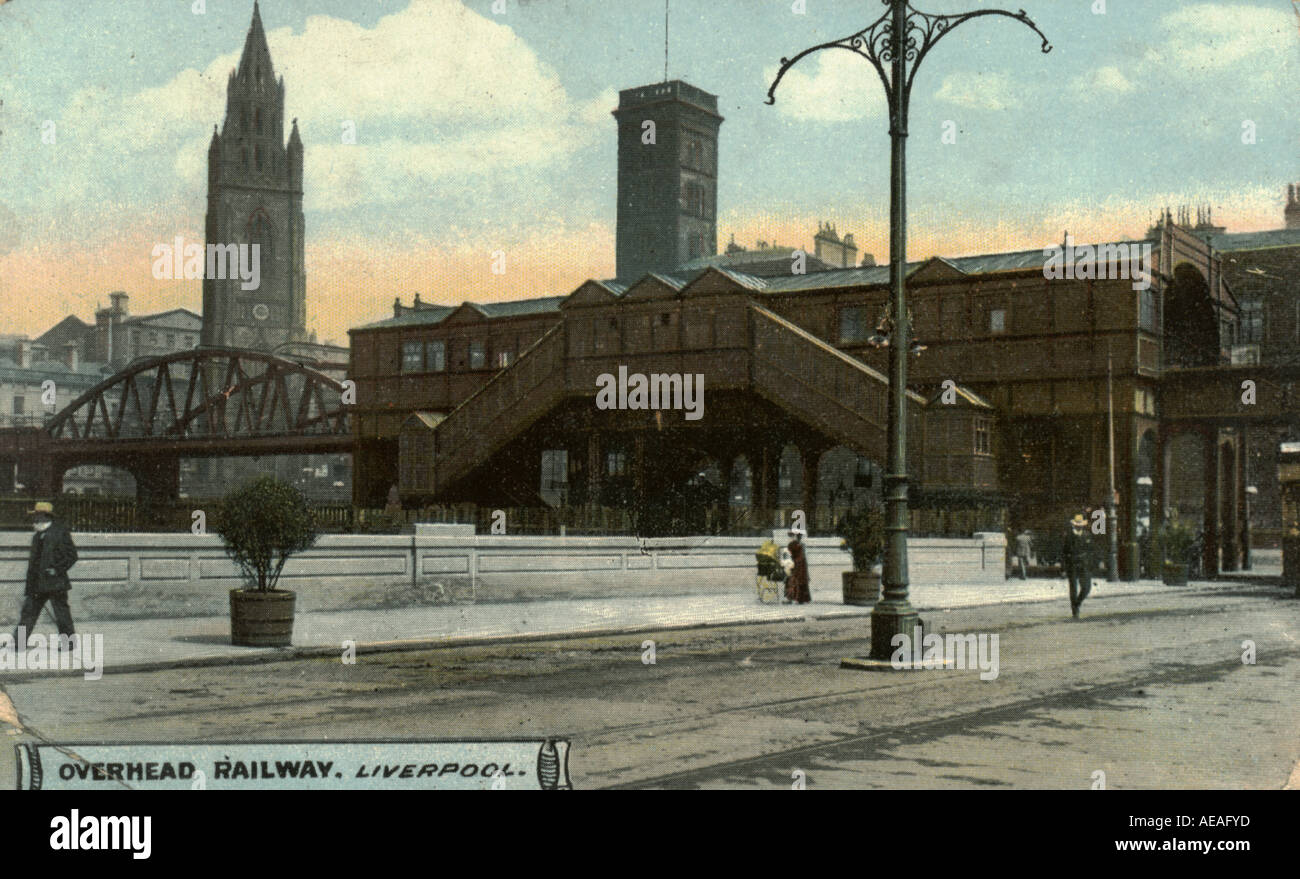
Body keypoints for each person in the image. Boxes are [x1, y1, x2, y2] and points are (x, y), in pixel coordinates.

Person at [15, 501, 78, 645]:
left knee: (62, 614)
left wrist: (57, 569)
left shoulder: (60, 532)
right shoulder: (37, 536)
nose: (34, 520)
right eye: (35, 517)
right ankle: (18, 643)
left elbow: (72, 555)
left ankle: (69, 643)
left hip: (55, 583)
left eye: (37, 517)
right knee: (28, 612)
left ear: (46, 517)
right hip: (37, 584)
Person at [1060, 513, 1093, 619]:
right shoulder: (1068, 536)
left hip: (1084, 564)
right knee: (1073, 588)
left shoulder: (1087, 535)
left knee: (1087, 587)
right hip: (1072, 563)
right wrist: (1063, 569)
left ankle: (1077, 603)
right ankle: (1075, 611)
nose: (1079, 526)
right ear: (1074, 525)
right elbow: (1063, 553)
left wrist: (1091, 564)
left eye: (1081, 524)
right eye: (1077, 525)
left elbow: (1091, 551)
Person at [784, 527, 811, 605]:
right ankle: (793, 597)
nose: (798, 537)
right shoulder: (793, 544)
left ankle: (799, 598)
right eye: (797, 536)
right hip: (795, 563)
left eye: (799, 536)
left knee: (799, 580)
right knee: (793, 580)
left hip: (800, 564)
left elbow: (801, 555)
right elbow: (788, 554)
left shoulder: (800, 545)